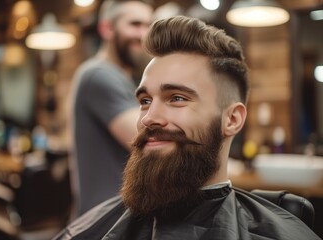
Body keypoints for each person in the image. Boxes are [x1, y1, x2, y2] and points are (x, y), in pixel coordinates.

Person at [57, 16, 320, 239]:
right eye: (145, 101)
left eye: (177, 98)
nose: (149, 118)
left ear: (232, 120)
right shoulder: (94, 226)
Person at [68, 0, 154, 218]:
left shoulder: (124, 78)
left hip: (117, 216)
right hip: (104, 222)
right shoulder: (99, 75)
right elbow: (146, 140)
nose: (143, 34)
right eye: (134, 24)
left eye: (148, 25)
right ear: (107, 28)